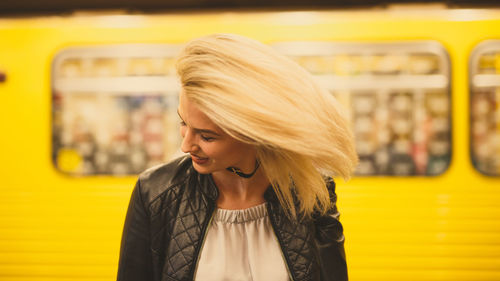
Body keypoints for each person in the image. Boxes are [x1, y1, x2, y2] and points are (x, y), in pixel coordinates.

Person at [117, 33, 358, 281]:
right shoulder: (156, 193)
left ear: (253, 133)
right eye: (183, 123)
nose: (186, 145)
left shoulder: (311, 191)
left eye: (207, 136)